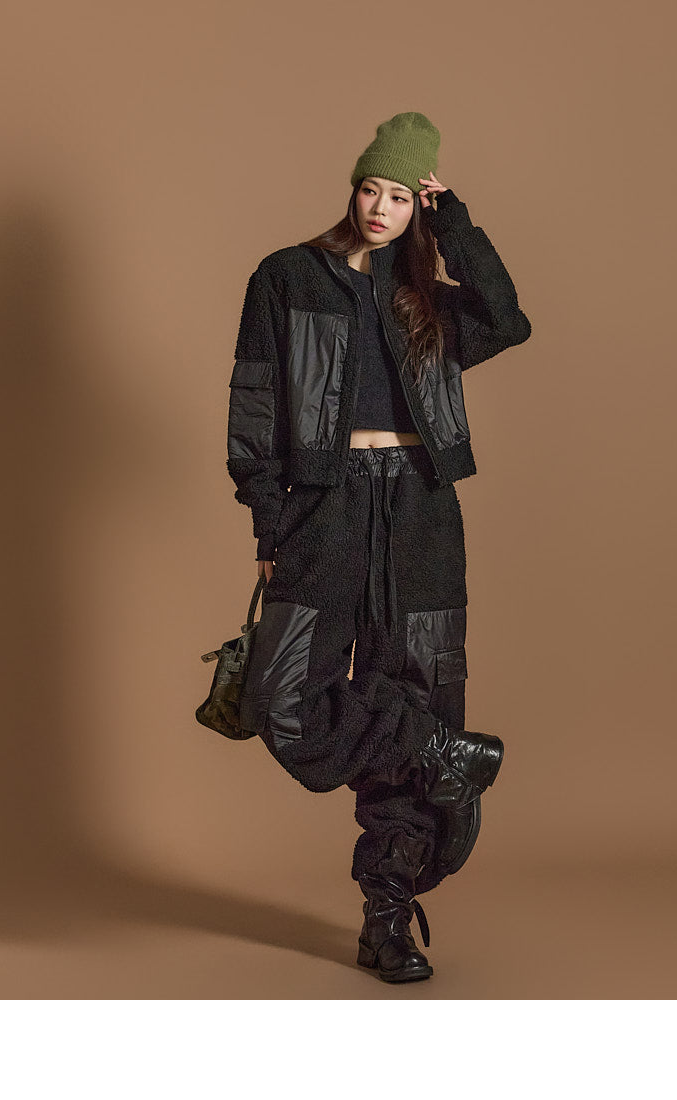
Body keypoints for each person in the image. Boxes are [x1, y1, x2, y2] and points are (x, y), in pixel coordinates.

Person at [225, 111, 531, 982]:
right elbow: (255, 402)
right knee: (281, 697)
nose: (381, 208)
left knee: (418, 679)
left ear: (416, 206)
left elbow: (508, 319)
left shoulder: (425, 294)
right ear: (353, 188)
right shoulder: (287, 277)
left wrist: (453, 222)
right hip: (324, 506)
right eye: (373, 189)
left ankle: (386, 920)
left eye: (401, 196)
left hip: (422, 509)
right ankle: (435, 750)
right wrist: (269, 518)